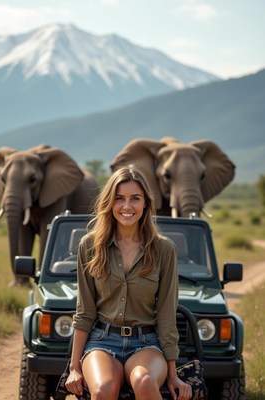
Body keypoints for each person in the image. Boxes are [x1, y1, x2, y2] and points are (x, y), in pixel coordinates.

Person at [65, 164, 192, 400]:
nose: (126, 206)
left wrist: (173, 373)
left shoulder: (164, 249)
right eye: (119, 198)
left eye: (135, 198)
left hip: (146, 344)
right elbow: (84, 312)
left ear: (145, 203)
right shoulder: (90, 246)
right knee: (103, 390)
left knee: (144, 381)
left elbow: (166, 313)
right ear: (110, 202)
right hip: (102, 341)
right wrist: (73, 368)